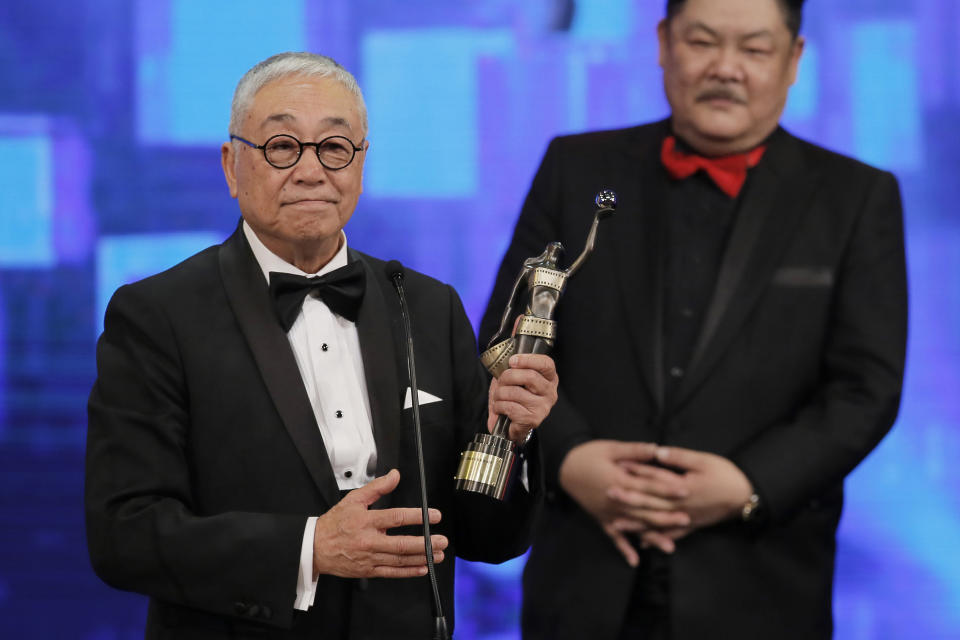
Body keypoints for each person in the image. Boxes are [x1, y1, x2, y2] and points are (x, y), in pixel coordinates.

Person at [85, 52, 558, 639]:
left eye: (334, 148)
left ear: (361, 165)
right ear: (232, 167)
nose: (311, 171)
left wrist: (513, 437)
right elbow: (124, 534)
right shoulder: (158, 315)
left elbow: (490, 538)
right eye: (282, 146)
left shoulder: (429, 306)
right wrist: (310, 547)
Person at [479, 1, 907, 638]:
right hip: (585, 570)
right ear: (662, 43)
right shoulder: (578, 170)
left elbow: (864, 390)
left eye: (755, 50)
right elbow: (507, 338)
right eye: (703, 41)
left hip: (761, 581)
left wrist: (747, 483)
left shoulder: (856, 197)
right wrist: (570, 457)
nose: (726, 68)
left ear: (793, 61)